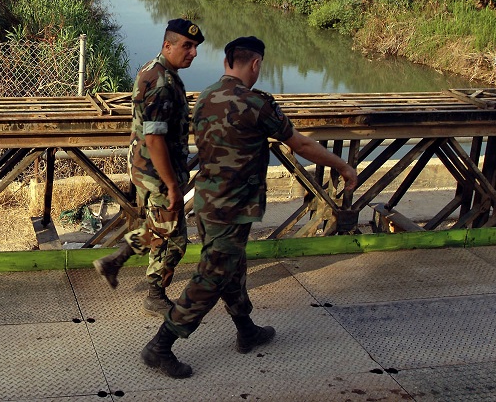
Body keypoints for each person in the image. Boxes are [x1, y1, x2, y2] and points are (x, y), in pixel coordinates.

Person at [141, 36, 359, 379]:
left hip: (208, 202)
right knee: (213, 275)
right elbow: (299, 143)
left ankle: (246, 330)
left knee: (231, 266)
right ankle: (161, 346)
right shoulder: (256, 103)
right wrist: (342, 166)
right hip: (235, 205)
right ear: (255, 64)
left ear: (227, 61)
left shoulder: (205, 98)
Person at [93, 18, 204, 317]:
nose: (193, 53)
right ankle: (155, 295)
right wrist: (171, 185)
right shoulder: (162, 83)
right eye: (187, 46)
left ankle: (113, 262)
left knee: (158, 225)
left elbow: (142, 128)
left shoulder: (153, 69)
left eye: (195, 47)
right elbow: (154, 138)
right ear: (167, 45)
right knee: (175, 238)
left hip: (145, 167)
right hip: (157, 172)